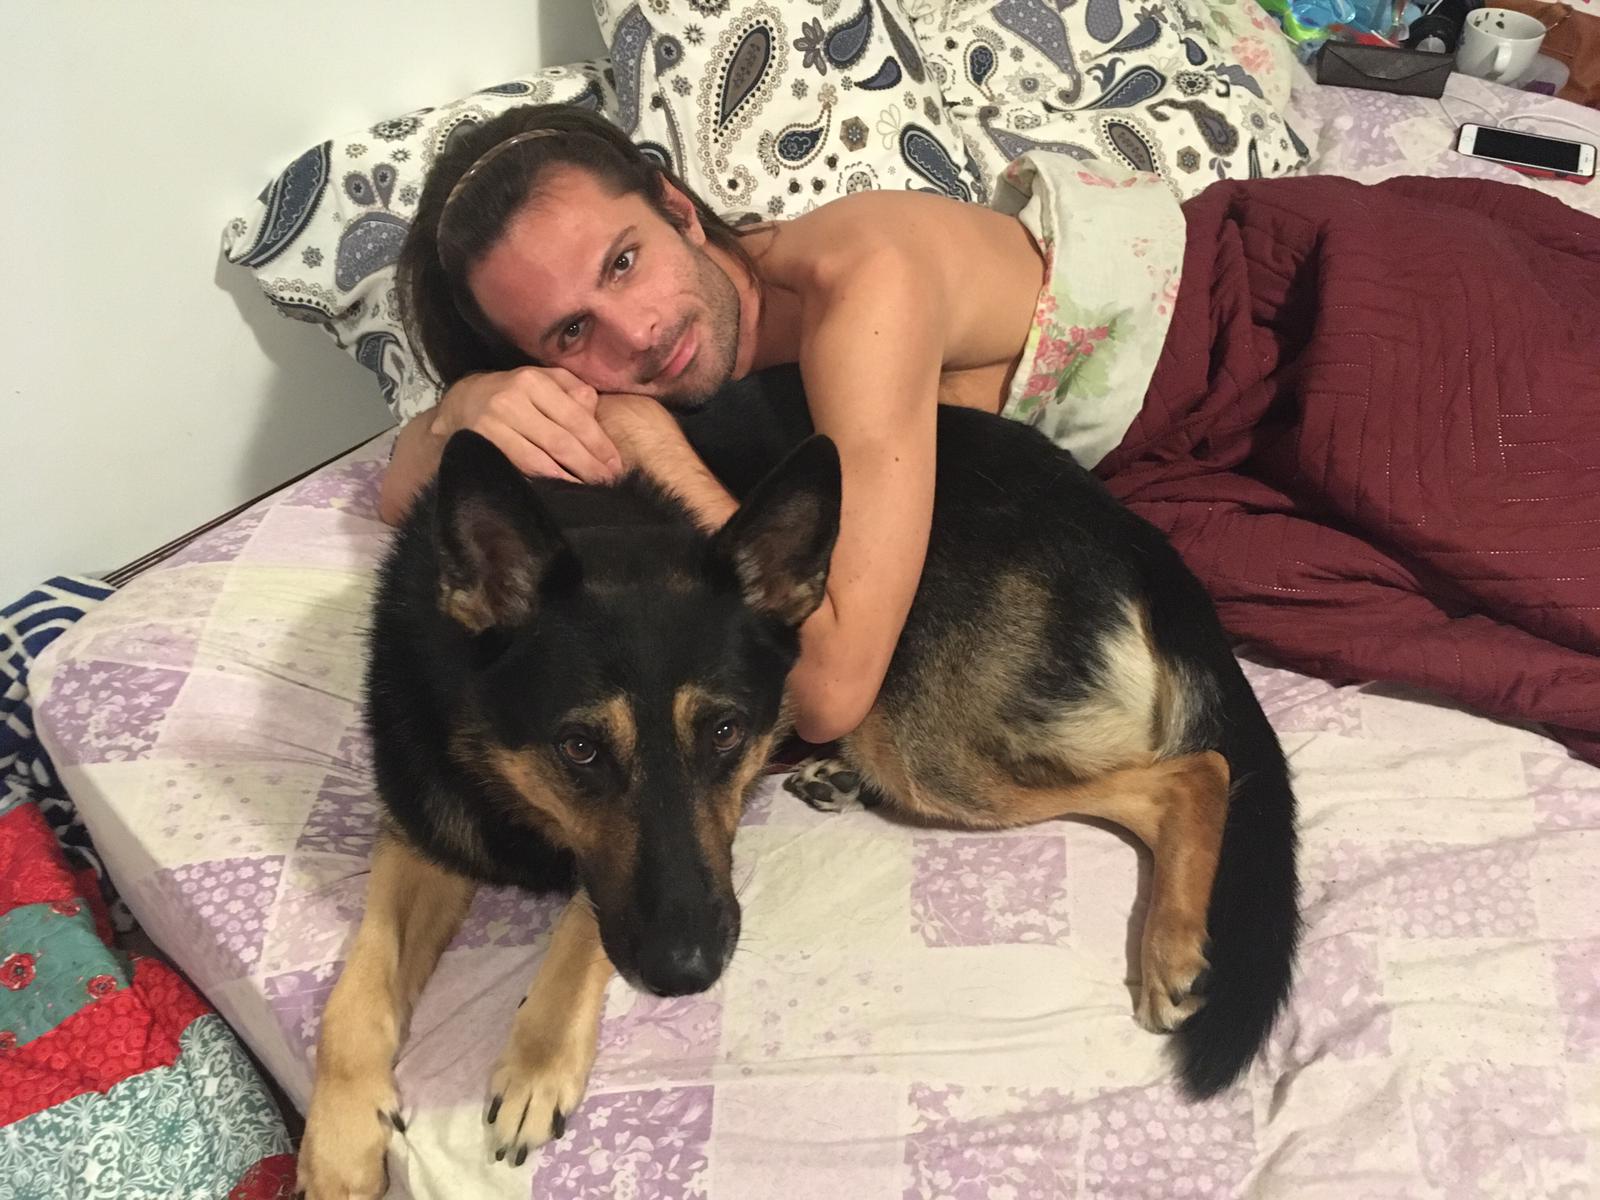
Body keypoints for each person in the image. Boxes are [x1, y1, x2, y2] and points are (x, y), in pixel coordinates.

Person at [382, 103, 1140, 747]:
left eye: (624, 263)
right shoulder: (656, 364)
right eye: (573, 331)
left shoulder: (863, 284)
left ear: (678, 210)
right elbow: (395, 495)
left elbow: (829, 693)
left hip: (1198, 357)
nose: (637, 334)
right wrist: (467, 407)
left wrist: (650, 445)